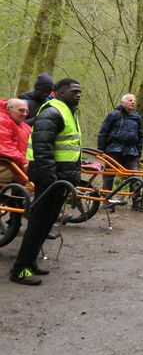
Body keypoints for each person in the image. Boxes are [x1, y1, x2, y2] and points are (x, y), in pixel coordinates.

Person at [10, 78, 82, 285]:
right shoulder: (52, 112)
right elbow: (42, 150)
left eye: (80, 91)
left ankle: (30, 263)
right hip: (50, 179)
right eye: (73, 91)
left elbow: (68, 149)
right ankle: (20, 270)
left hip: (60, 179)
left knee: (46, 223)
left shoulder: (68, 112)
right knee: (38, 224)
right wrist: (52, 180)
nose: (78, 94)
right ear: (58, 92)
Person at [97, 93, 143, 210]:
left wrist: (139, 152)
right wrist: (101, 150)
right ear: (123, 102)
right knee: (109, 176)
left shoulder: (137, 118)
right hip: (113, 149)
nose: (133, 102)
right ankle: (107, 201)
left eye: (134, 100)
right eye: (130, 100)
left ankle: (137, 204)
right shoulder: (113, 115)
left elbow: (140, 136)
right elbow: (103, 132)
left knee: (136, 176)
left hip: (131, 151)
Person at [0, 98, 31, 183]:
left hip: (17, 164)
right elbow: (5, 147)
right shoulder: (2, 121)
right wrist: (24, 162)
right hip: (6, 164)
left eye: (26, 111)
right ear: (9, 109)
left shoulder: (24, 126)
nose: (24, 114)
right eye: (21, 110)